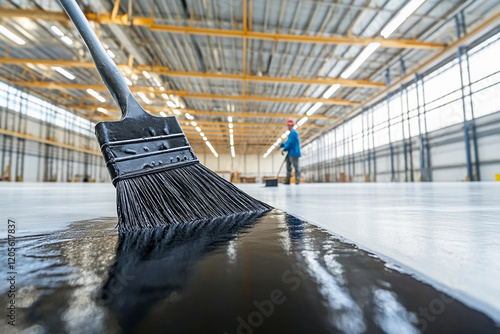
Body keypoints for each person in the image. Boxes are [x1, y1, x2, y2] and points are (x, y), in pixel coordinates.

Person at [280, 119, 301, 184]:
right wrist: (283, 145)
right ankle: (288, 180)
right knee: (288, 167)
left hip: (294, 153)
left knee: (296, 166)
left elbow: (290, 143)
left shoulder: (293, 133)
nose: (288, 127)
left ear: (291, 126)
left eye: (288, 126)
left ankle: (297, 179)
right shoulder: (291, 133)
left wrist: (284, 149)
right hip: (290, 153)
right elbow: (288, 142)